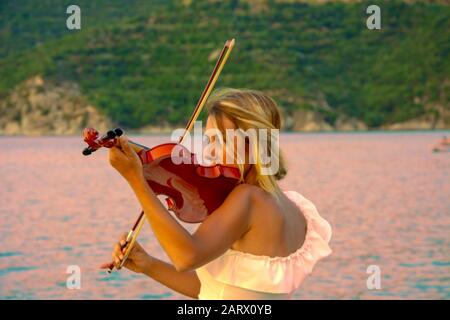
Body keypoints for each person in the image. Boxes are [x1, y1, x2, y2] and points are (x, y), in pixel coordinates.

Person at [100, 88, 332, 299]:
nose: (210, 152)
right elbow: (218, 292)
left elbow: (186, 257)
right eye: (209, 140)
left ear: (253, 141)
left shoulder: (248, 198)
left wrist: (137, 181)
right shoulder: (293, 205)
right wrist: (149, 265)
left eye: (219, 141)